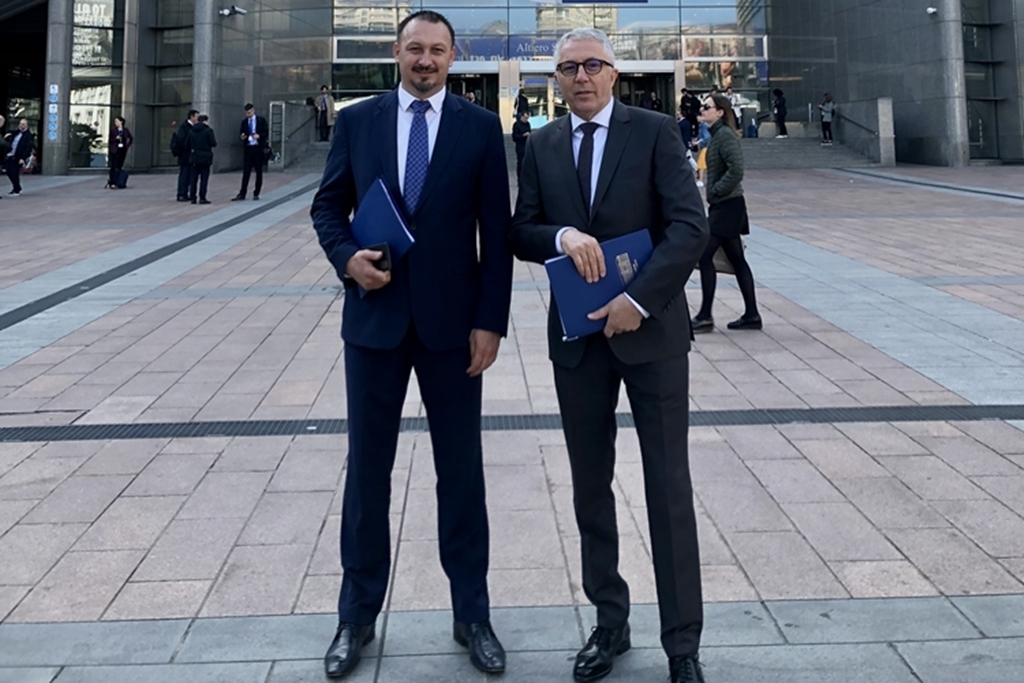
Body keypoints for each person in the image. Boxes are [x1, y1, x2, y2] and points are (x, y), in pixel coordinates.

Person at [310, 10, 513, 680]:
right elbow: (327, 206)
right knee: (368, 473)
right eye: (415, 49)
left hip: (454, 329)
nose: (425, 60)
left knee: (462, 473)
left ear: (454, 56)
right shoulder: (357, 122)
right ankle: (356, 616)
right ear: (396, 52)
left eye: (437, 50)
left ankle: (472, 614)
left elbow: (496, 233)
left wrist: (491, 321)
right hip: (375, 323)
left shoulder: (480, 128)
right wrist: (346, 259)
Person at [509, 27, 710, 683]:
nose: (581, 77)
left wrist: (638, 301)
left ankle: (682, 645)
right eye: (569, 68)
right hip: (579, 344)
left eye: (593, 65)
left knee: (667, 486)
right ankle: (610, 622)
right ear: (556, 80)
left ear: (614, 73)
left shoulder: (654, 132)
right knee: (590, 486)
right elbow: (521, 230)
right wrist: (562, 236)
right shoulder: (541, 144)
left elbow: (690, 226)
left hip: (651, 337)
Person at [691, 94, 761, 334]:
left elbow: (737, 169)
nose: (702, 109)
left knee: (704, 254)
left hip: (728, 205)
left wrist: (717, 190)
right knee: (736, 259)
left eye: (707, 106)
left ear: (720, 112)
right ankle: (752, 314)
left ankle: (705, 316)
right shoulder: (717, 135)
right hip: (726, 205)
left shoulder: (725, 136)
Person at [233, 103, 269, 201]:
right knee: (246, 172)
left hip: (258, 148)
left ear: (253, 111)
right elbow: (242, 132)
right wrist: (242, 136)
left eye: (249, 112)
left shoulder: (260, 120)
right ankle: (242, 193)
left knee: (258, 171)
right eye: (247, 113)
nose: (248, 114)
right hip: (248, 148)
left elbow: (266, 132)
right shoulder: (244, 122)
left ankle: (256, 192)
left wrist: (259, 136)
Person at [187, 114, 216, 204]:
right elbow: (213, 143)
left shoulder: (191, 131)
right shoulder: (208, 131)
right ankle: (202, 197)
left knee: (193, 179)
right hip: (205, 157)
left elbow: (187, 144)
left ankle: (193, 197)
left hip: (194, 157)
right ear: (205, 121)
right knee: (204, 179)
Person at [4, 118, 34, 197]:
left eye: (23, 124)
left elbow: (28, 147)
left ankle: (17, 189)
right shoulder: (16, 133)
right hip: (10, 154)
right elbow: (10, 135)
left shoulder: (28, 135)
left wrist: (23, 158)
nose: (21, 125)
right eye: (20, 124)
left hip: (18, 156)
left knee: (14, 172)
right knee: (8, 171)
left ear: (27, 125)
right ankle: (16, 187)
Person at [174, 110, 199, 201]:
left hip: (190, 155)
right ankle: (181, 193)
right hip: (185, 155)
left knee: (189, 175)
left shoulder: (192, 127)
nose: (197, 119)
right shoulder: (184, 127)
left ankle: (185, 193)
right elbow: (182, 141)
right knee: (184, 175)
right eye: (196, 117)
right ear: (192, 117)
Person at [107, 117, 133, 189]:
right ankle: (112, 182)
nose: (116, 123)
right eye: (115, 121)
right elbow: (110, 140)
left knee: (119, 166)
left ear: (121, 122)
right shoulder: (113, 131)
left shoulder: (125, 130)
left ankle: (119, 181)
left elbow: (131, 138)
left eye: (117, 121)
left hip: (122, 150)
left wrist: (127, 146)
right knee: (114, 166)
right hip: (115, 150)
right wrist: (116, 138)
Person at [511, 110, 531, 181]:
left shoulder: (527, 124)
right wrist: (523, 135)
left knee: (527, 163)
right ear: (521, 117)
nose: (526, 120)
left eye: (527, 118)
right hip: (520, 146)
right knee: (520, 162)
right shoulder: (516, 125)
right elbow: (514, 137)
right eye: (525, 118)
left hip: (527, 145)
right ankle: (520, 178)